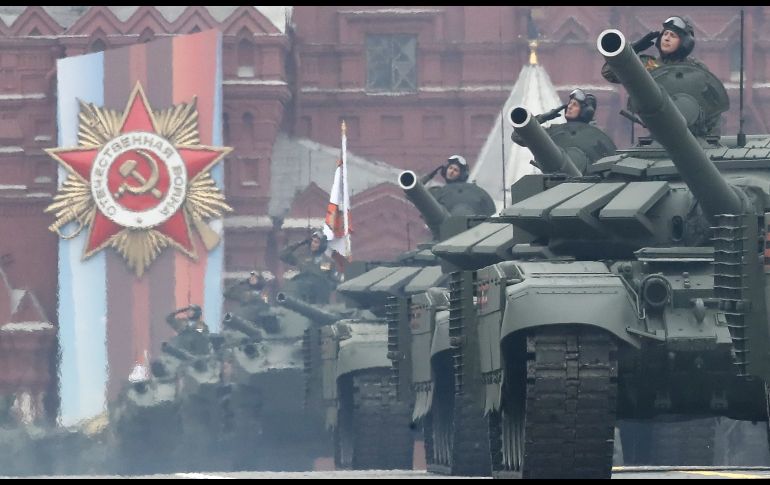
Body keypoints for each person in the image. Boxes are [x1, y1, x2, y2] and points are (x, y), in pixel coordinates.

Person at [602, 15, 705, 84]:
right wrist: (632, 50)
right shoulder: (649, 66)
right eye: (665, 34)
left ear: (684, 43)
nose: (667, 38)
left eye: (673, 36)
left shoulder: (693, 68)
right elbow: (609, 73)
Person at [512, 88, 597, 149]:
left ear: (585, 112)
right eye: (570, 103)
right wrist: (543, 117)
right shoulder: (556, 132)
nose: (569, 106)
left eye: (574, 105)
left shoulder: (594, 138)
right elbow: (517, 136)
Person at [279, 230, 340, 304]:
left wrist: (324, 285)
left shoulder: (329, 262)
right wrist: (300, 243)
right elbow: (283, 255)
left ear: (322, 245)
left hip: (320, 300)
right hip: (303, 298)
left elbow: (335, 282)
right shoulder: (303, 258)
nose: (312, 244)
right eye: (312, 241)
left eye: (316, 242)